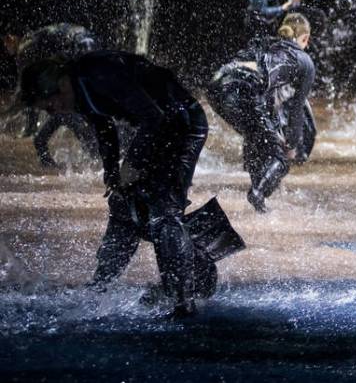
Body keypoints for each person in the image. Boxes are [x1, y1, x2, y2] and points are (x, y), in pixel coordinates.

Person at [17, 51, 215, 317]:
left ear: (60, 85)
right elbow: (104, 128)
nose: (53, 112)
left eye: (50, 106)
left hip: (183, 124)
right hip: (158, 128)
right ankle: (99, 287)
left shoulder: (98, 74)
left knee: (163, 212)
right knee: (123, 205)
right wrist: (111, 171)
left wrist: (131, 163)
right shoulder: (77, 89)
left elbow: (154, 118)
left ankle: (183, 302)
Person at [207, 13, 316, 212]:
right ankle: (258, 195)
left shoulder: (268, 44)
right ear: (305, 38)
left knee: (257, 136)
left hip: (216, 87)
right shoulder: (305, 61)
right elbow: (297, 109)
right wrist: (291, 144)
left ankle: (258, 203)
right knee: (280, 158)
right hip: (243, 89)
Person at [4, 23, 100, 168]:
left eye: (4, 43)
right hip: (89, 41)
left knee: (69, 111)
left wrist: (4, 115)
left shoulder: (26, 48)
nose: (5, 49)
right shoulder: (37, 40)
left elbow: (24, 92)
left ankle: (95, 154)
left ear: (10, 38)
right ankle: (97, 154)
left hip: (79, 46)